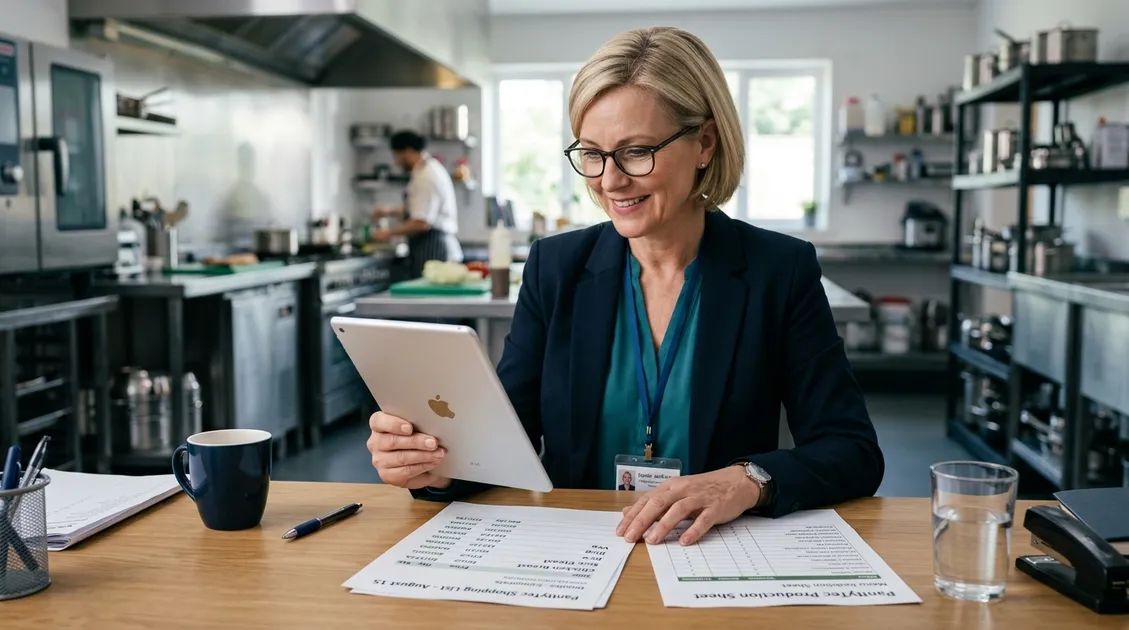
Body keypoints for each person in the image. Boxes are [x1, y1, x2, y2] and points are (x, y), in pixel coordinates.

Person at [366, 26, 883, 547]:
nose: (610, 181)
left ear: (704, 142)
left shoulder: (778, 269)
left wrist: (748, 480)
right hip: (574, 552)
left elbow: (851, 449)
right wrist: (438, 467)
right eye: (592, 153)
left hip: (706, 553)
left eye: (636, 152)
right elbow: (506, 439)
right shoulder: (555, 267)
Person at [369, 130, 463, 278]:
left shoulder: (425, 176)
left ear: (407, 151)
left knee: (427, 299)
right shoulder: (429, 169)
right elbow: (421, 208)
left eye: (396, 156)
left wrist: (388, 234)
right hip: (437, 246)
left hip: (433, 250)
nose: (396, 162)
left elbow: (421, 222)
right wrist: (389, 211)